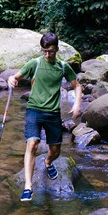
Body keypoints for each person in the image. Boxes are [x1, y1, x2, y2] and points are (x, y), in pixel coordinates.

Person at [7, 32, 82, 202]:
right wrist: (11, 79)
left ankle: (48, 162)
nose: (48, 55)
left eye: (51, 51)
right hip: (34, 109)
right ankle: (28, 187)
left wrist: (77, 104)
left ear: (57, 49)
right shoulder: (35, 64)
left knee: (55, 151)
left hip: (53, 113)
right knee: (32, 143)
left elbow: (77, 86)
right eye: (44, 51)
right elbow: (15, 76)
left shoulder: (63, 67)